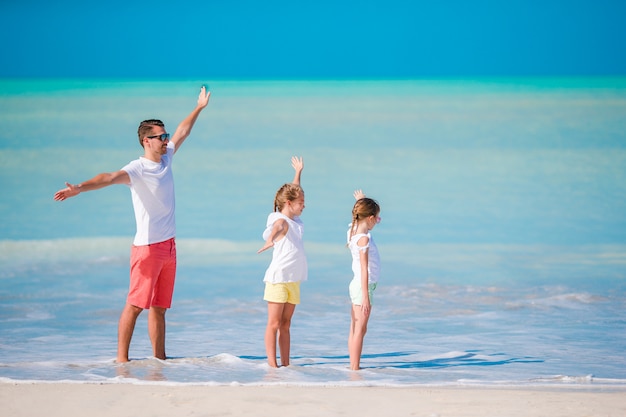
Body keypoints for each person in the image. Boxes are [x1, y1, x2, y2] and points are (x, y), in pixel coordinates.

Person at [53, 86, 211, 363]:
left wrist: (198, 108)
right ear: (146, 141)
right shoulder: (136, 169)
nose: (165, 140)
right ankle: (121, 360)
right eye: (160, 136)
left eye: (165, 135)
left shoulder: (167, 157)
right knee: (136, 305)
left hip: (169, 246)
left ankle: (160, 360)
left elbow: (183, 132)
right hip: (147, 248)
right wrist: (79, 187)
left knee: (160, 308)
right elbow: (109, 176)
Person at [257, 156, 307, 368]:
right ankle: (272, 364)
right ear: (288, 203)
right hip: (278, 279)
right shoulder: (280, 219)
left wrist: (298, 173)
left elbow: (294, 189)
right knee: (275, 323)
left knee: (286, 325)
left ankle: (286, 364)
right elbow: (278, 226)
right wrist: (270, 240)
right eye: (301, 203)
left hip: (293, 279)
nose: (304, 206)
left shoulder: (294, 219)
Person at [347, 189, 381, 370]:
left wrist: (361, 200)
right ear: (369, 218)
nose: (378, 221)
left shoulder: (353, 231)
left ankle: (352, 364)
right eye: (377, 218)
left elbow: (357, 218)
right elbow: (363, 268)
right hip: (363, 286)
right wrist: (366, 296)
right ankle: (355, 368)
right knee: (359, 329)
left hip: (359, 285)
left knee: (356, 327)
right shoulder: (363, 240)